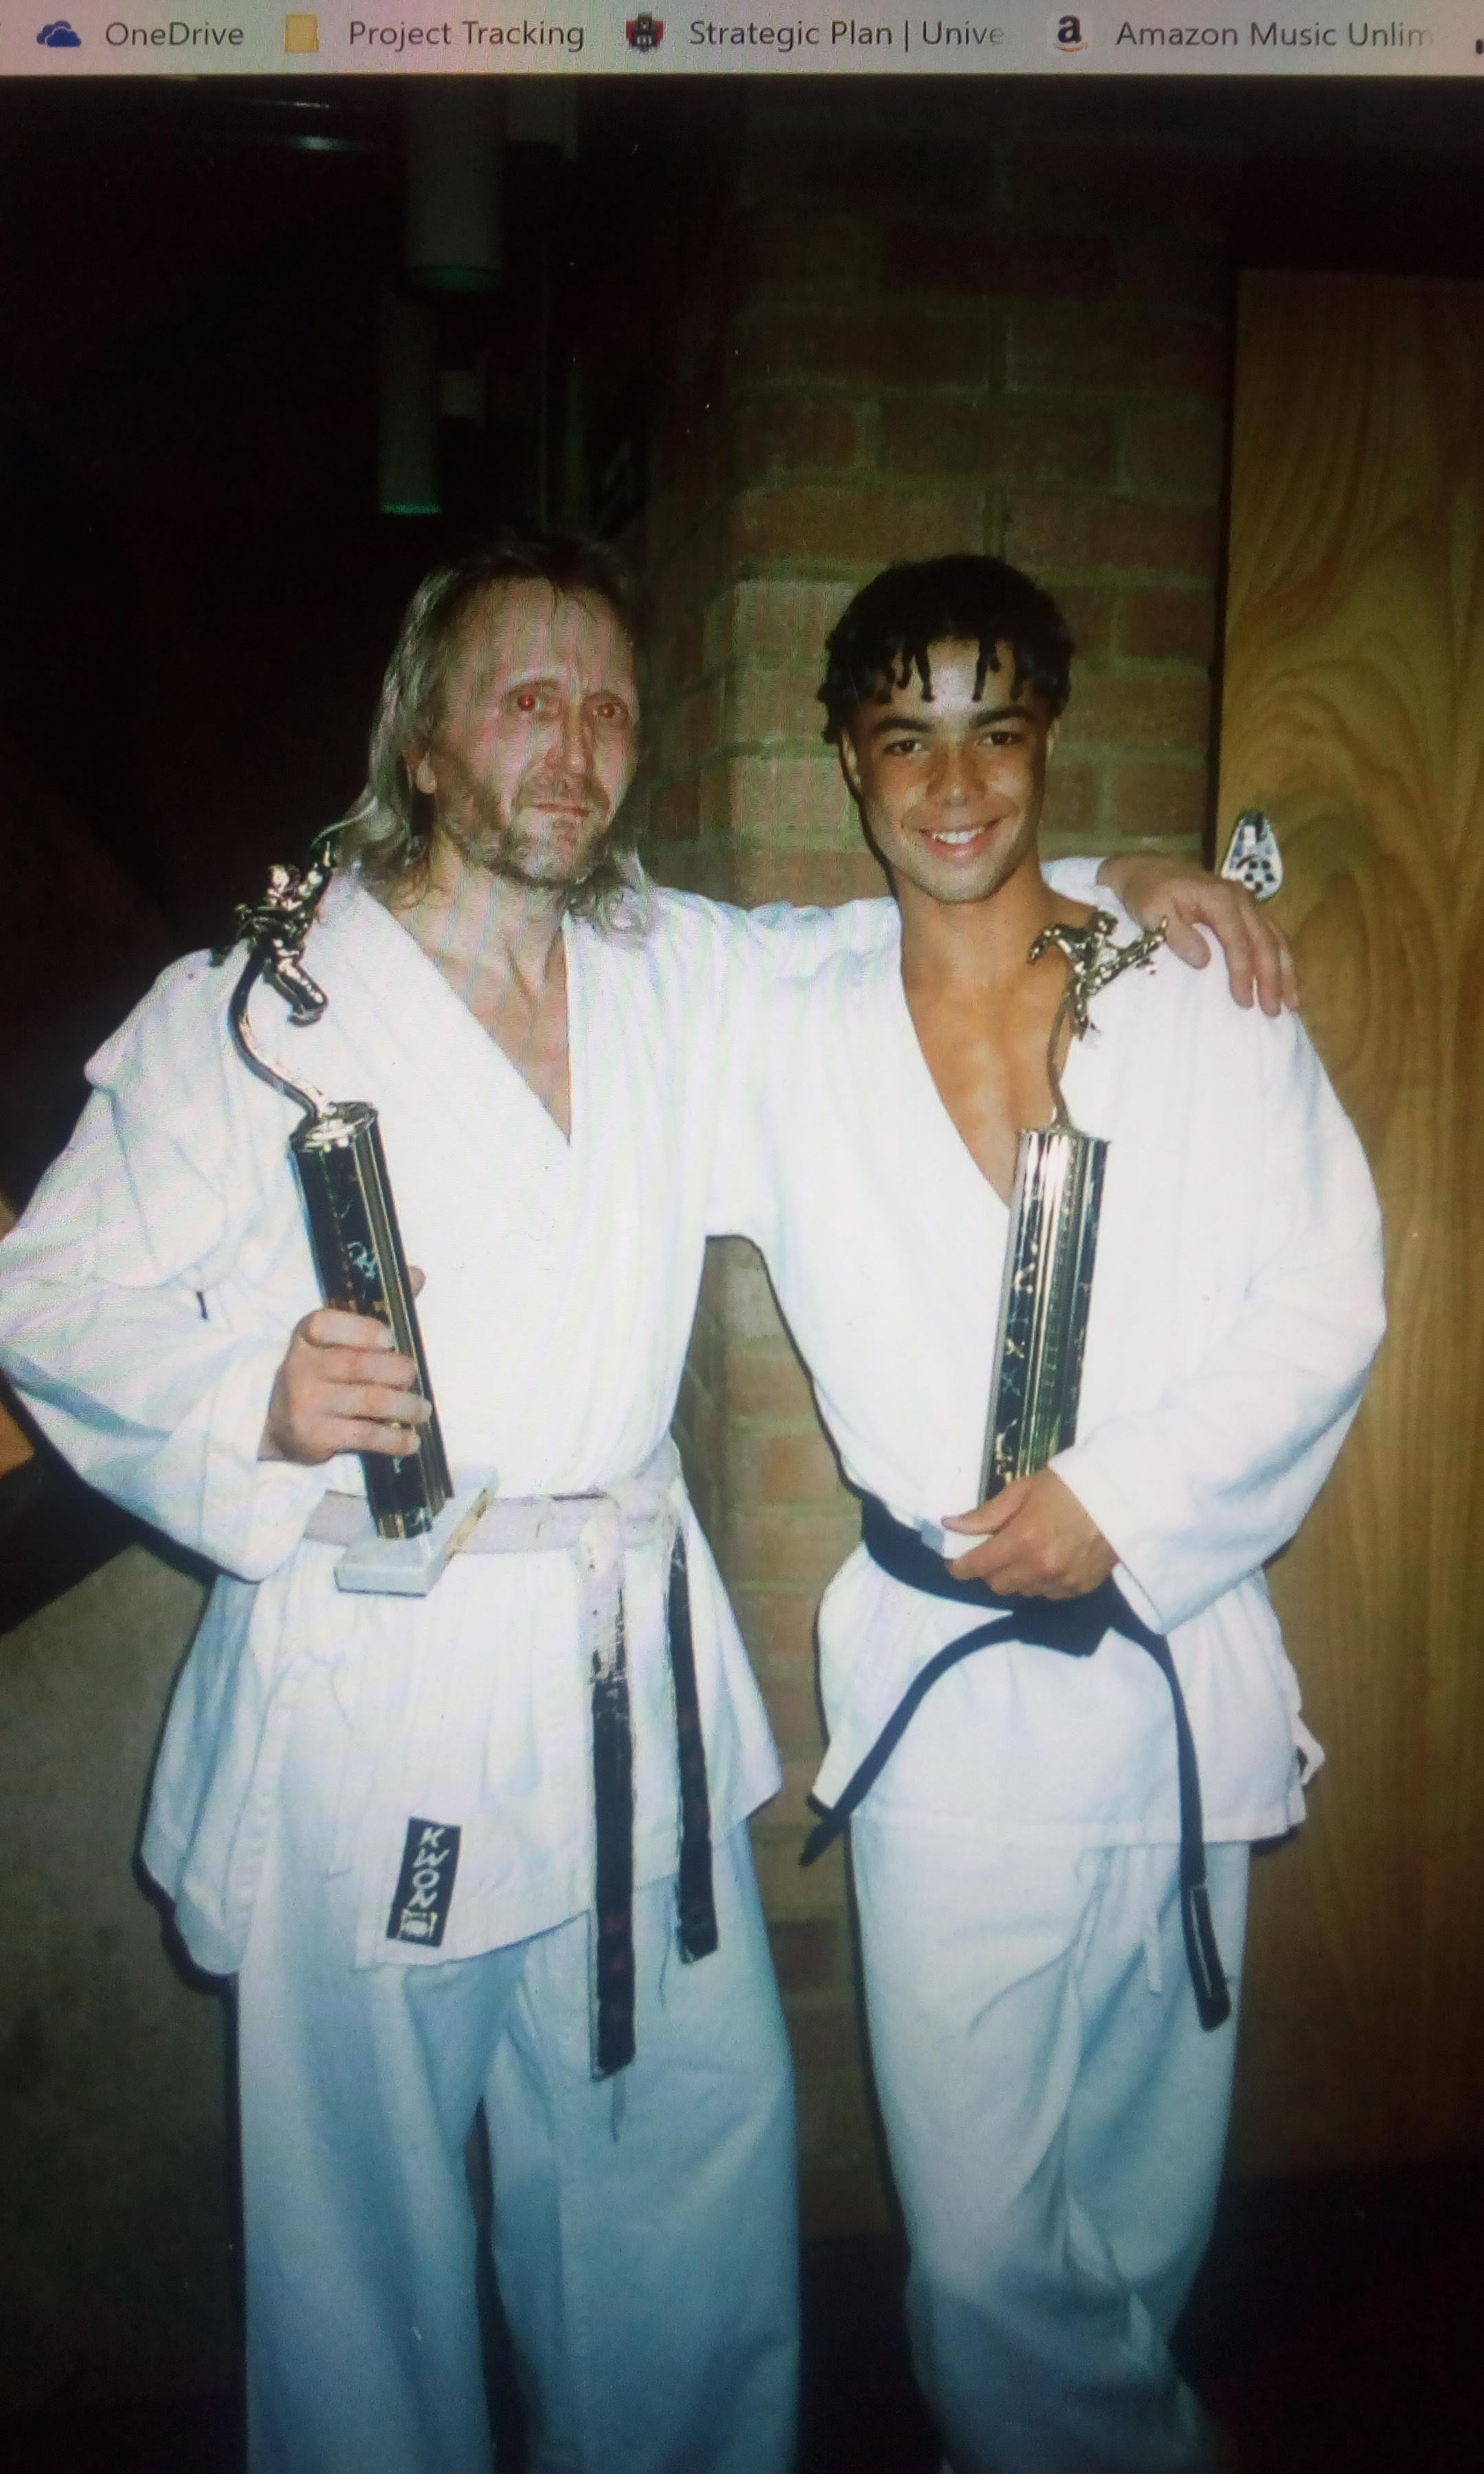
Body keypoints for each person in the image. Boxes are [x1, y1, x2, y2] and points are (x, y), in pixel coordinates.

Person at [0, 534, 1291, 2474]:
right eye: (527, 699)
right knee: (366, 2247)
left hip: (629, 1677)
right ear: (425, 737)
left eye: (608, 707)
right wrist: (245, 1400)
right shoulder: (265, 1004)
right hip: (384, 1682)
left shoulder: (668, 968)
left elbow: (923, 913)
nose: (577, 745)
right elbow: (46, 1294)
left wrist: (1133, 887)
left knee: (688, 2173)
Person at [717, 555, 1385, 2474]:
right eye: (905, 737)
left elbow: (1328, 1297)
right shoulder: (780, 1017)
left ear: (1049, 744)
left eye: (996, 734)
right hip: (951, 1700)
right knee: (988, 2243)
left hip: (1175, 1658)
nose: (955, 784)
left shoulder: (1195, 995)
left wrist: (1125, 1500)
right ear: (849, 760)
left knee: (1146, 2206)